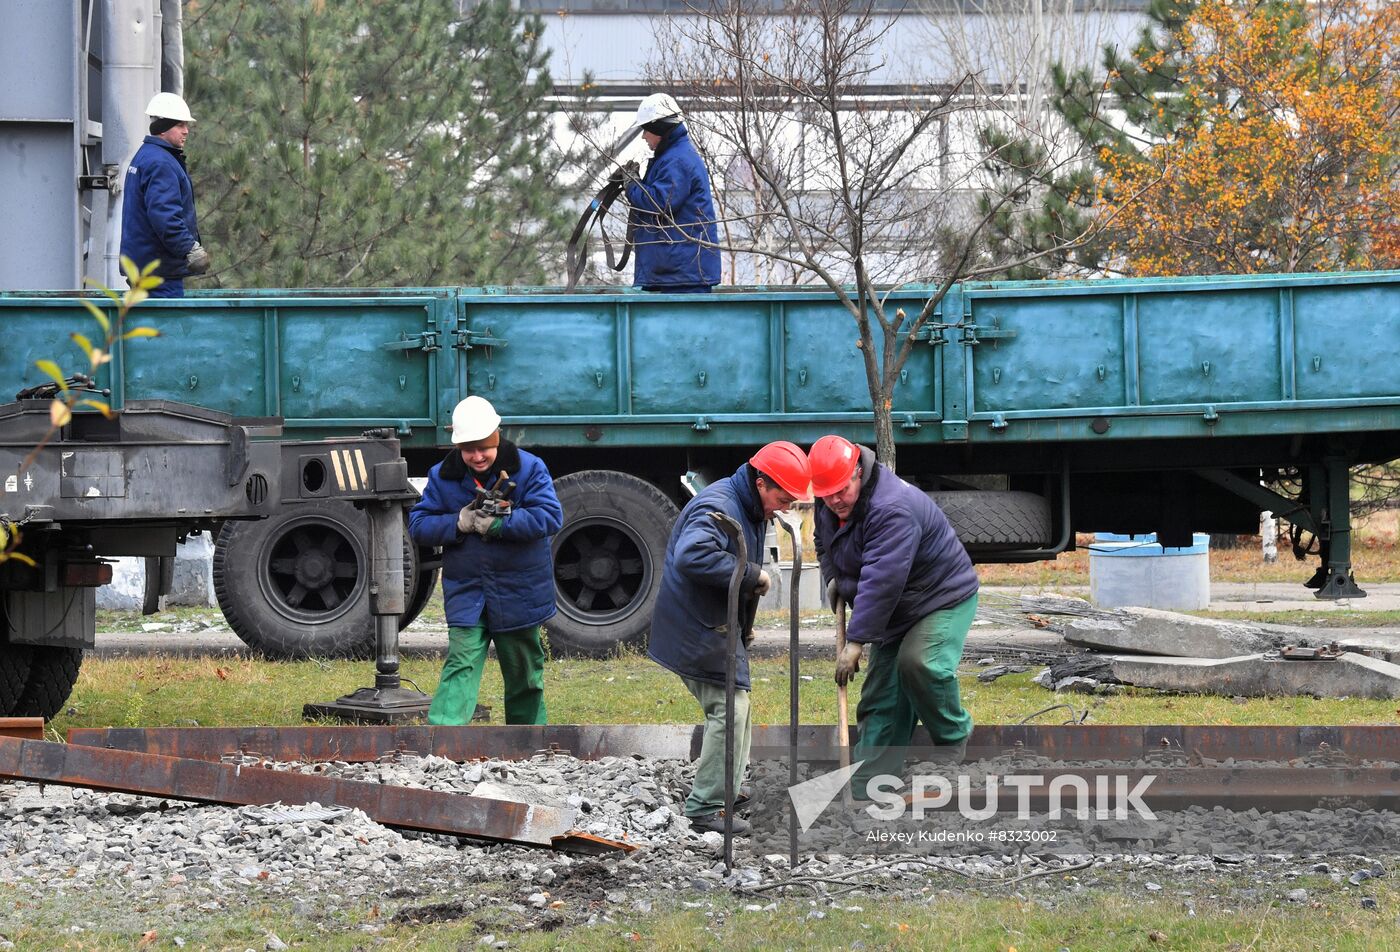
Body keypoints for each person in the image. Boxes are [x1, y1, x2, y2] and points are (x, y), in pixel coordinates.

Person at [648, 442, 812, 834]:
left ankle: (726, 787)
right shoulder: (718, 505)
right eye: (783, 498)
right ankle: (706, 806)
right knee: (729, 709)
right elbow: (693, 555)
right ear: (760, 483)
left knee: (739, 704)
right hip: (697, 626)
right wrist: (754, 573)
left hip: (714, 624)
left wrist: (743, 623)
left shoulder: (748, 504)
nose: (785, 507)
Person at [808, 435, 980, 798]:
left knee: (919, 663)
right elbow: (824, 543)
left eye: (841, 489)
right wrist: (833, 578)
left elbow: (882, 579)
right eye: (826, 494)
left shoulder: (891, 508)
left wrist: (856, 642)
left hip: (940, 597)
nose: (835, 500)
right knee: (880, 698)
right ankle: (869, 785)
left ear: (858, 472)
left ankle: (954, 737)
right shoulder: (829, 503)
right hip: (895, 610)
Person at [408, 396, 563, 725]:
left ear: (497, 437)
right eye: (468, 449)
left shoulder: (530, 468)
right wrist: (457, 523)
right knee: (460, 664)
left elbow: (550, 517)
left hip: (519, 590)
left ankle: (529, 743)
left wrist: (501, 524)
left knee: (524, 675)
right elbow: (418, 525)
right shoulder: (442, 476)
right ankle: (442, 746)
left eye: (484, 447)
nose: (477, 456)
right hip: (468, 589)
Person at [618, 93, 720, 293]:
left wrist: (632, 185)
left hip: (681, 277)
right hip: (677, 274)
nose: (643, 136)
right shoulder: (673, 156)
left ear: (659, 128)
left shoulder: (677, 160)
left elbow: (659, 204)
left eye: (646, 130)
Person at [120, 93, 210, 298]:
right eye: (180, 125)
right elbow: (165, 216)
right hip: (159, 272)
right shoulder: (161, 163)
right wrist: (190, 248)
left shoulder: (146, 155)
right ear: (162, 129)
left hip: (145, 266)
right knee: (166, 329)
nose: (186, 131)